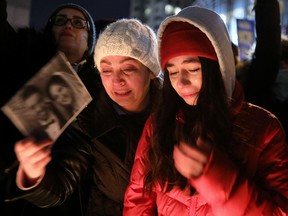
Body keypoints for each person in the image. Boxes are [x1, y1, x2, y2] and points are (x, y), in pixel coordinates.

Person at [123, 6, 288, 215]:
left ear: (219, 67)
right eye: (172, 72)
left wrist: (218, 178)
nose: (181, 83)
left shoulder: (264, 128)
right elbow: (138, 200)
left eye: (193, 69)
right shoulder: (159, 123)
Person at [5, 18, 162, 216]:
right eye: (106, 70)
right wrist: (32, 174)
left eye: (128, 68)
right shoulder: (86, 117)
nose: (116, 80)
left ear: (150, 71)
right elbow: (60, 187)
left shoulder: (177, 114)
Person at [0, 1, 97, 215]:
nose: (68, 26)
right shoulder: (17, 61)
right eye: (60, 21)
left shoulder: (99, 92)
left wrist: (32, 174)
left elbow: (69, 174)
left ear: (90, 41)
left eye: (78, 22)